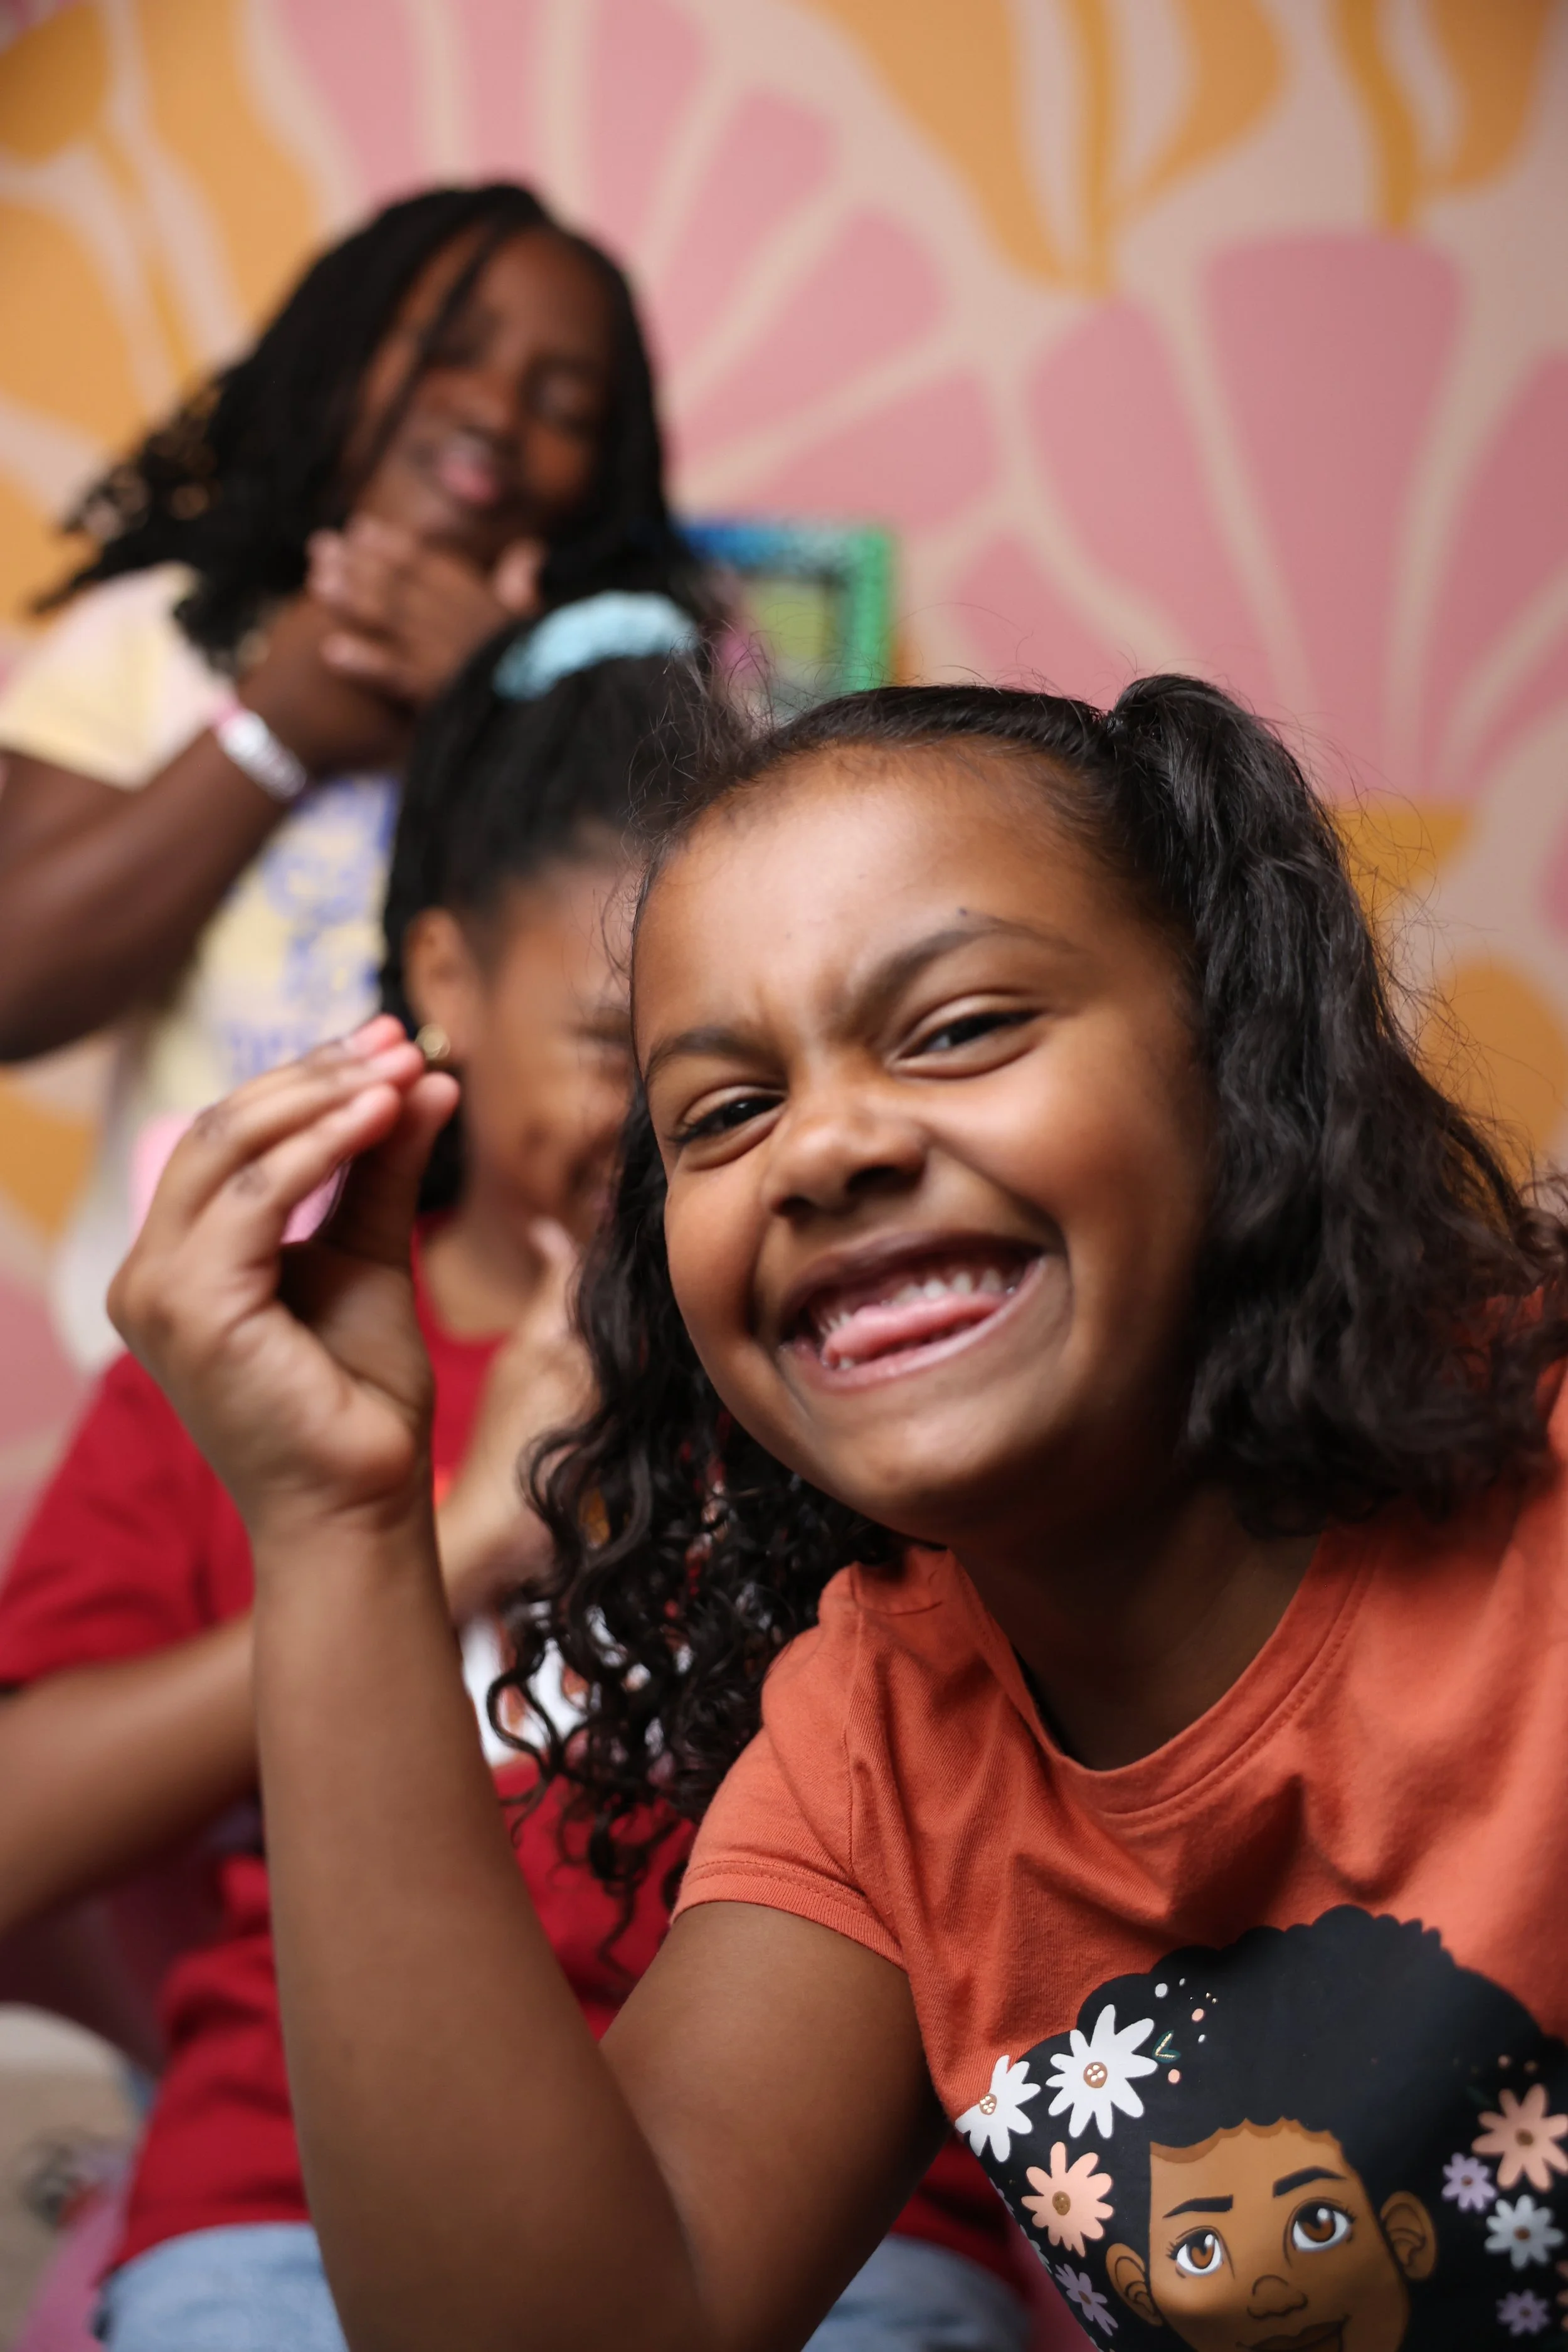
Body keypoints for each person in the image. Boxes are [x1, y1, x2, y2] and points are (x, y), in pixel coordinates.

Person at [104, 675, 1568, 2351]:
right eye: (723, 1113)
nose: (823, 1149)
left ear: (1231, 1057)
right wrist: (339, 1522)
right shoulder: (878, 1734)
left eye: (954, 1026)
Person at [0, 640, 1028, 2352]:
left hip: (843, 2238)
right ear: (444, 976)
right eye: (615, 1050)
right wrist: (448, 1531)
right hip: (280, 2216)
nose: (712, 1142)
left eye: (730, 1084)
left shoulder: (861, 1359)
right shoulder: (258, 1363)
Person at [0, 178, 700, 1368]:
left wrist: (502, 687)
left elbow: (694, 954)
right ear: (332, 356)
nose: (492, 408)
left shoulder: (640, 684)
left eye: (564, 402)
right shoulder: (155, 637)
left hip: (531, 1359)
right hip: (177, 1364)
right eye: (444, 350)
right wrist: (281, 724)